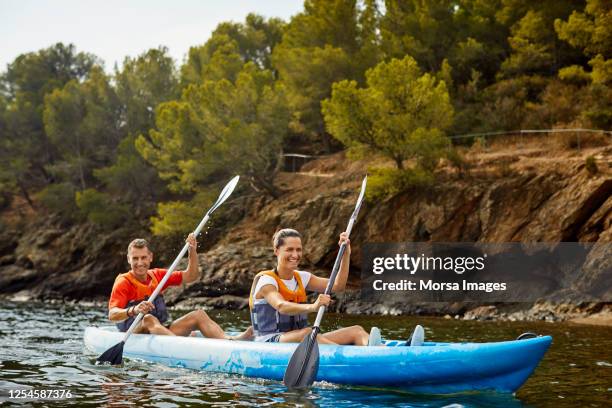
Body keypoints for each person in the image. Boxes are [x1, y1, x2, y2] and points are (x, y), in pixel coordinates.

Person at [249, 228, 381, 345]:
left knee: (356, 331)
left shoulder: (302, 277)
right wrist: (313, 307)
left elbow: (337, 286)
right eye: (289, 250)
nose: (295, 255)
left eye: (298, 250)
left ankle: (377, 351)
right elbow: (281, 306)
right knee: (307, 333)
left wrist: (346, 255)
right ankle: (353, 358)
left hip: (301, 339)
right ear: (277, 251)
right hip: (269, 342)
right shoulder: (267, 281)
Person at [108, 234, 252, 340]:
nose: (140, 262)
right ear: (129, 259)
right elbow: (112, 314)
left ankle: (229, 341)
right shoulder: (123, 281)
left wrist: (192, 252)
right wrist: (134, 309)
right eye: (135, 258)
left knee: (199, 315)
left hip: (160, 331)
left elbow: (191, 276)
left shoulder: (159, 275)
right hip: (132, 333)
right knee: (148, 319)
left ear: (150, 257)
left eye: (143, 258)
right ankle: (181, 347)